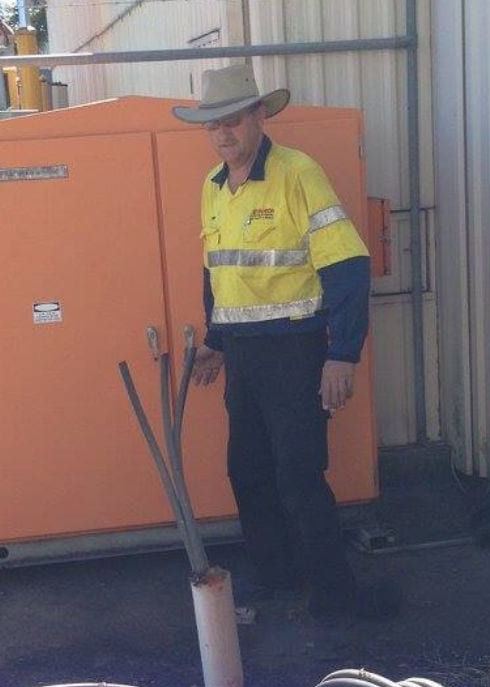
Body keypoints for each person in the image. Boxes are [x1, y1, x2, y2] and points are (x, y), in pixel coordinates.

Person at [173, 63, 395, 621]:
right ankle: (278, 577)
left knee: (297, 473)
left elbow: (348, 265)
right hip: (244, 358)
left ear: (257, 117)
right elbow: (218, 273)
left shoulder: (299, 174)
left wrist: (341, 354)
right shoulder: (213, 187)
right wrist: (218, 341)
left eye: (233, 120)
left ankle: (336, 595)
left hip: (297, 353)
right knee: (247, 469)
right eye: (212, 124)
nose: (223, 133)